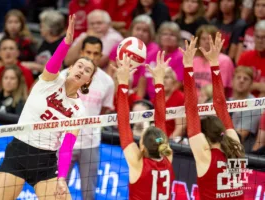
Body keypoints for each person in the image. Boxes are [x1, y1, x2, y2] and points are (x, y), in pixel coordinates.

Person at [0, 15, 97, 200]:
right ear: (70, 68)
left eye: (87, 71)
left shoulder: (79, 109)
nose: (82, 70)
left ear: (88, 80)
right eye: (79, 66)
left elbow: (67, 146)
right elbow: (54, 63)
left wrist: (63, 178)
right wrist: (66, 43)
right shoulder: (50, 80)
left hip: (46, 162)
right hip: (19, 153)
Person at [180, 33, 245, 199]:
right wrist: (215, 64)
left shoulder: (204, 155)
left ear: (206, 137)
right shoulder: (236, 148)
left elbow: (192, 109)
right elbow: (220, 104)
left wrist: (188, 65)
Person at [115, 51, 175, 200]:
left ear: (142, 147)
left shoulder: (140, 164)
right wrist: (159, 82)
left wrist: (123, 83)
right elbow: (125, 125)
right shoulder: (168, 157)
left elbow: (123, 124)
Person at [60, 36, 114, 200]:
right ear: (81, 52)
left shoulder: (108, 82)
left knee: (89, 193)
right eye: (88, 52)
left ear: (100, 55)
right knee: (57, 191)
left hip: (90, 143)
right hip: (64, 142)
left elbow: (103, 111)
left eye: (95, 53)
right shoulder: (65, 76)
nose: (91, 56)